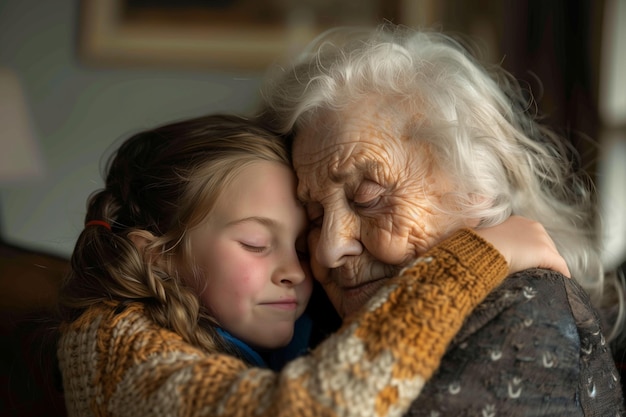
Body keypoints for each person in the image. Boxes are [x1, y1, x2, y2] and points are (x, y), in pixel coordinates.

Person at [56, 113, 568, 417]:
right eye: (257, 243)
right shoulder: (110, 347)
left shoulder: (257, 318)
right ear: (158, 255)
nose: (299, 271)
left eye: (302, 245)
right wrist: (469, 263)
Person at [258, 24, 625, 415]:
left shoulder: (525, 316)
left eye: (369, 198)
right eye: (313, 218)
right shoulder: (308, 313)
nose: (329, 248)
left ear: (478, 188)